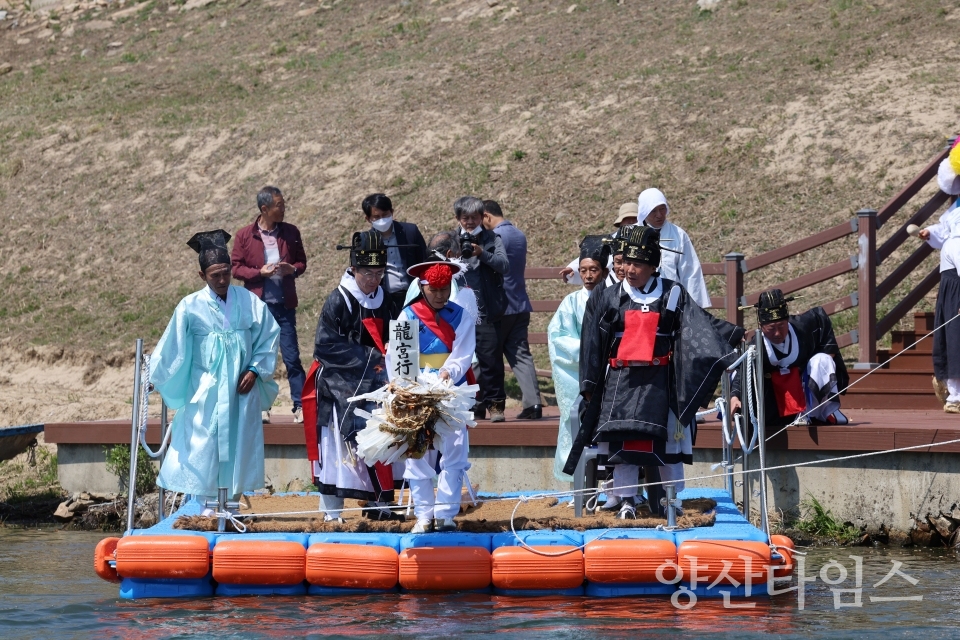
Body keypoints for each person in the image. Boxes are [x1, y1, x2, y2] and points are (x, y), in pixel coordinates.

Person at [563, 226, 744, 519]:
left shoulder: (673, 294)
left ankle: (667, 500)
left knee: (665, 448)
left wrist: (733, 337)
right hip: (620, 384)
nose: (630, 270)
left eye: (639, 264)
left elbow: (700, 328)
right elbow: (591, 344)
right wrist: (589, 384)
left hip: (661, 383)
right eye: (626, 263)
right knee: (624, 446)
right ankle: (626, 502)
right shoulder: (607, 297)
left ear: (653, 266)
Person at [149, 229, 281, 500]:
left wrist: (256, 370)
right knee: (204, 443)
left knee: (239, 441)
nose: (222, 280)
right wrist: (157, 374)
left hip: (240, 388)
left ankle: (232, 501)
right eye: (215, 275)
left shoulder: (248, 302)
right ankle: (205, 502)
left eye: (226, 273)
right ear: (202, 276)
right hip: (206, 388)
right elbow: (173, 346)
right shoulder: (189, 306)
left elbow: (268, 336)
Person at [306, 230, 403, 522]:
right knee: (339, 452)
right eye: (368, 273)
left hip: (377, 381)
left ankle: (380, 505)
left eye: (379, 273)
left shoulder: (386, 299)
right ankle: (331, 514)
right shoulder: (339, 300)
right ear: (354, 269)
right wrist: (372, 358)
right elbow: (324, 345)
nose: (374, 280)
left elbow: (395, 334)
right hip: (340, 384)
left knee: (382, 441)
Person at [392, 259, 476, 532]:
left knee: (454, 450)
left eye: (444, 289)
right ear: (422, 286)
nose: (440, 295)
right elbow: (400, 358)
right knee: (416, 453)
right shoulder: (408, 315)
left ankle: (446, 514)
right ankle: (424, 515)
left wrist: (448, 372)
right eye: (434, 289)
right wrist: (410, 385)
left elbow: (463, 352)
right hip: (417, 390)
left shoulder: (461, 315)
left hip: (450, 390)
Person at [231, 186, 308, 424]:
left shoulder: (291, 232)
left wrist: (291, 269)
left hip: (284, 306)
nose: (283, 208)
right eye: (279, 205)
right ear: (264, 209)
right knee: (258, 358)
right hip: (257, 308)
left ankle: (300, 405)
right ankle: (261, 406)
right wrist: (258, 273)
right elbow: (235, 267)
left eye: (283, 204)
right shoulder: (245, 235)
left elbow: (301, 262)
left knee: (292, 356)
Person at [731, 290, 849, 426]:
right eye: (771, 328)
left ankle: (818, 413)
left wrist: (826, 359)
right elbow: (742, 371)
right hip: (774, 399)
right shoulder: (756, 347)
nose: (777, 333)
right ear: (761, 326)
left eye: (781, 326)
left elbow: (822, 319)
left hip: (806, 389)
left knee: (822, 360)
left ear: (788, 320)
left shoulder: (803, 326)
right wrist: (735, 395)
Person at [548, 235, 610, 482]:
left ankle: (618, 487)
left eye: (593, 270)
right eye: (582, 270)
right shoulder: (571, 302)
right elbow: (558, 337)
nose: (587, 276)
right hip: (579, 375)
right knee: (574, 423)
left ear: (604, 271)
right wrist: (589, 353)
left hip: (611, 372)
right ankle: (579, 484)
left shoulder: (615, 297)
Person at [482, 200, 544, 419]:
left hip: (499, 306)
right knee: (520, 354)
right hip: (519, 302)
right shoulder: (518, 234)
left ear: (487, 216)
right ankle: (533, 403)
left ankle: (482, 405)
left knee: (489, 355)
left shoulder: (495, 237)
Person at [453, 196, 511, 422]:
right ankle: (472, 404)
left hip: (487, 308)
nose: (469, 221)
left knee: (491, 358)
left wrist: (482, 253)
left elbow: (504, 265)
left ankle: (496, 405)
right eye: (465, 217)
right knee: (463, 359)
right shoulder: (450, 239)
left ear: (481, 217)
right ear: (458, 218)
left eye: (474, 217)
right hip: (458, 310)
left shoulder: (491, 238)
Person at [923, 143, 960, 412]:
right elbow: (945, 231)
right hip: (952, 281)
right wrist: (929, 234)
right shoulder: (955, 209)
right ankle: (954, 394)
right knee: (953, 336)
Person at [636, 188, 711, 308]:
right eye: (653, 211)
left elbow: (690, 272)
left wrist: (695, 308)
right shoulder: (633, 234)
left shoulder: (679, 235)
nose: (659, 215)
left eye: (662, 209)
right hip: (639, 300)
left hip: (671, 300)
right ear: (644, 212)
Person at [362, 193, 427, 311]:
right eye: (376, 217)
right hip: (387, 300)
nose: (382, 220)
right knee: (399, 329)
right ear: (368, 219)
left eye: (385, 215)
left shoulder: (410, 231)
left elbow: (424, 260)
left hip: (415, 295)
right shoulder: (366, 242)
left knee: (416, 328)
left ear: (392, 212)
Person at [560, 202, 637, 285]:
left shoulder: (650, 239)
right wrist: (573, 269)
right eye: (627, 218)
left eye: (635, 218)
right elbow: (591, 256)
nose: (631, 221)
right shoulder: (610, 240)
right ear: (620, 222)